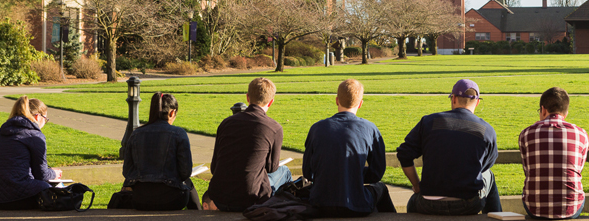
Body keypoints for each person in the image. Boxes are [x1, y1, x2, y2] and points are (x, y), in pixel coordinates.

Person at [396, 79, 501, 215]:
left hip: (428, 203)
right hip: (468, 203)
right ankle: (496, 216)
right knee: (489, 175)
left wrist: (417, 185)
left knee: (413, 202)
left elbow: (404, 153)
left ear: (454, 99)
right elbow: (486, 166)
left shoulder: (429, 122)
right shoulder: (486, 130)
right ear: (478, 102)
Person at [303, 79, 396, 217]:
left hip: (320, 203)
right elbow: (376, 173)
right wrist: (352, 173)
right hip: (357, 204)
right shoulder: (370, 129)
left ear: (336, 100)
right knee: (381, 188)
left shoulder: (317, 128)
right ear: (360, 104)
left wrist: (342, 171)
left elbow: (307, 171)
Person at [204, 77, 292, 212]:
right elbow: (271, 167)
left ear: (247, 97)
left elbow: (215, 165)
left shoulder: (226, 123)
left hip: (220, 197)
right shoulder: (274, 128)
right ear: (271, 102)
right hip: (251, 198)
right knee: (284, 171)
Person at [0, 96, 62, 209]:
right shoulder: (35, 135)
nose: (45, 123)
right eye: (46, 119)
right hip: (17, 195)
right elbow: (42, 175)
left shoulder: (3, 132)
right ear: (38, 117)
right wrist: (54, 173)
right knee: (48, 187)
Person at [122, 92, 200, 210]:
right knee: (188, 184)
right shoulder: (178, 133)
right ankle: (198, 214)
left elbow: (127, 171)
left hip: (140, 199)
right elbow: (185, 172)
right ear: (172, 112)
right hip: (172, 199)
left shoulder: (136, 134)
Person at [519, 87, 588, 220]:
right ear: (565, 112)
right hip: (571, 207)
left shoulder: (526, 133)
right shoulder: (581, 134)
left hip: (534, 207)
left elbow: (528, 170)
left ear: (543, 109)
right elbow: (578, 170)